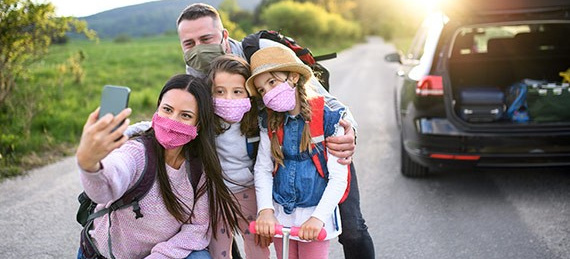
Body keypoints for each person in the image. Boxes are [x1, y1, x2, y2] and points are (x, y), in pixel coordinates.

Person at [177, 3, 375, 259]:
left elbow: (324, 100)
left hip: (317, 144)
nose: (199, 49)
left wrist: (350, 133)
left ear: (224, 36)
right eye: (189, 43)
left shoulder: (263, 52)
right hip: (274, 156)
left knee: (352, 228)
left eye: (206, 39)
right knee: (277, 235)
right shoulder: (196, 73)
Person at [76, 74, 243, 259]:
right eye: (167, 110)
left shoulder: (199, 168)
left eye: (186, 115)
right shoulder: (137, 151)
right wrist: (89, 164)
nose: (173, 121)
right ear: (157, 110)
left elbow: (197, 228)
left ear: (199, 124)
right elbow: (105, 188)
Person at [247, 45, 349, 259]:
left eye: (272, 82)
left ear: (293, 77)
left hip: (314, 216)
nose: (268, 93)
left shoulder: (328, 120)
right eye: (262, 90)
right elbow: (263, 169)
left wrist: (318, 218)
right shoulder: (270, 124)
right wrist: (265, 210)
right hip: (280, 216)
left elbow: (338, 178)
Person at [206, 54, 271, 258]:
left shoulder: (257, 123)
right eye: (220, 92)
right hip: (216, 196)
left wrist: (265, 209)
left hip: (249, 191)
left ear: (249, 94)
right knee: (218, 250)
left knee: (258, 246)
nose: (228, 99)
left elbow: (264, 165)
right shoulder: (206, 121)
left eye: (237, 92)